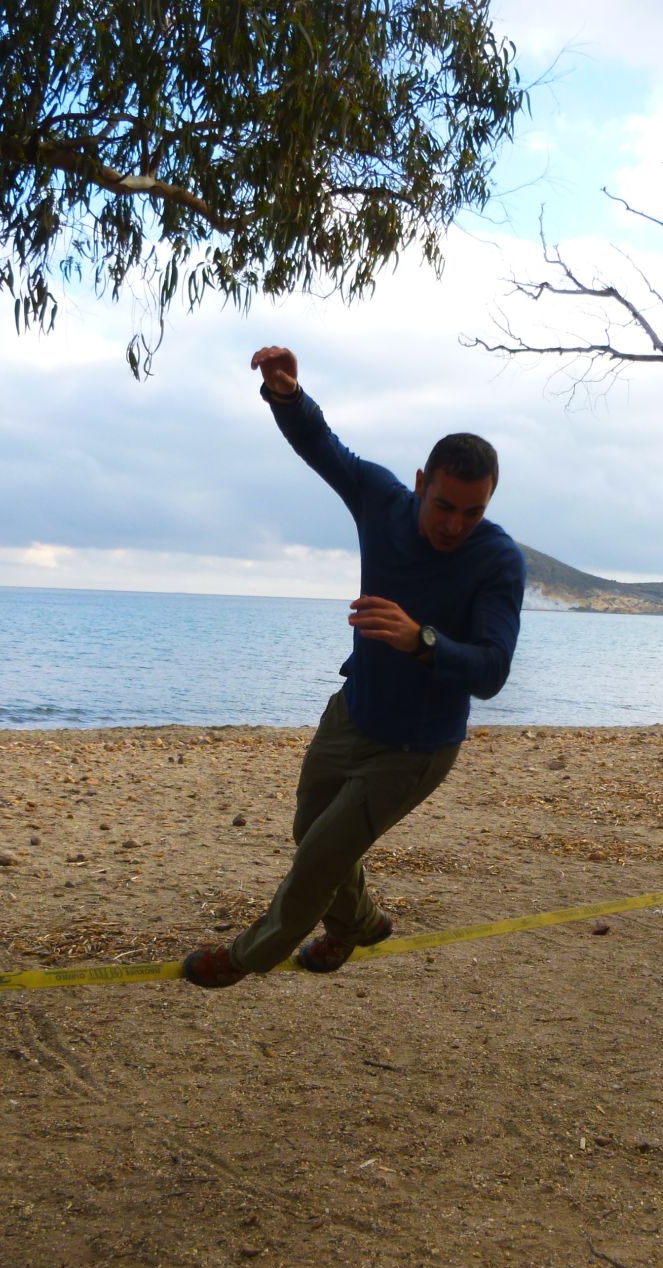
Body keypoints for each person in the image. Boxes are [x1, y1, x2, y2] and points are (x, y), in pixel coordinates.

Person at [181, 346, 526, 988]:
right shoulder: (382, 500)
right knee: (309, 831)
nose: (456, 525)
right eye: (446, 505)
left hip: (417, 749)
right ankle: (359, 924)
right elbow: (323, 447)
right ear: (422, 483)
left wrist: (420, 639)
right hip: (354, 710)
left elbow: (492, 670)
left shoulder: (498, 562)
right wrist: (286, 395)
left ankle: (245, 957)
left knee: (317, 861)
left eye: (473, 512)